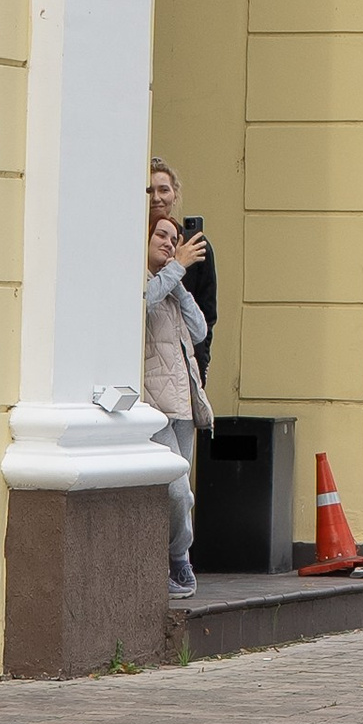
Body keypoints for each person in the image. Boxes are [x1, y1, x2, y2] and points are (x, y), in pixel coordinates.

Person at [144, 181, 211, 600]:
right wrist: (174, 270)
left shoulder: (173, 285)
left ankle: (175, 561)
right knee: (175, 487)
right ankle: (179, 561)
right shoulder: (147, 281)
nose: (170, 244)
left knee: (182, 492)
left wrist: (180, 277)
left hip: (183, 404)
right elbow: (144, 301)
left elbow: (201, 329)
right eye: (161, 236)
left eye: (175, 238)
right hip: (155, 404)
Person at [150, 159, 217, 385]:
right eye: (149, 190)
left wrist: (201, 365)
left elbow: (206, 315)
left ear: (175, 196)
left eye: (164, 190)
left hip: (183, 365)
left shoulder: (196, 246)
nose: (156, 197)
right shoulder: (130, 241)